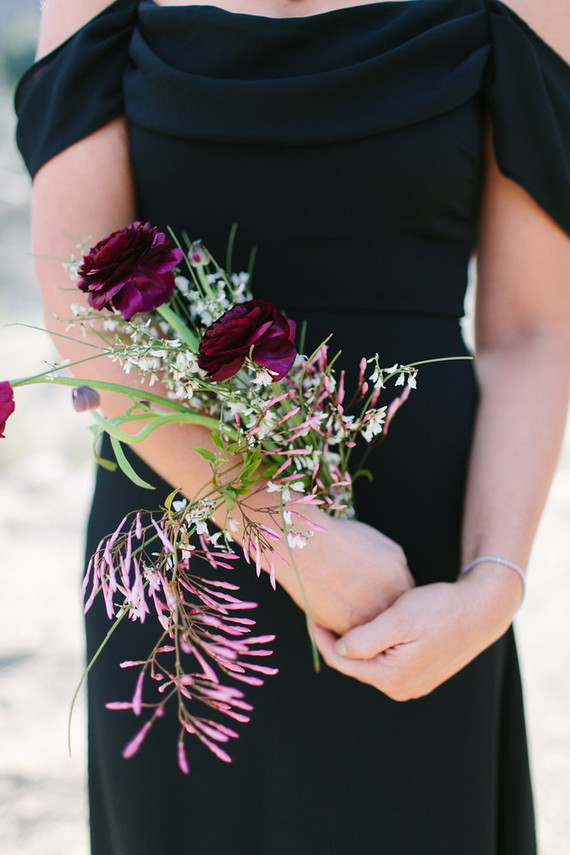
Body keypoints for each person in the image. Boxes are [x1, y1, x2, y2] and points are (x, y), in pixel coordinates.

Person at [15, 1, 570, 853]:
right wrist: (287, 532)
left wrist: (493, 586)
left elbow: (531, 328)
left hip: (421, 581)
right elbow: (84, 307)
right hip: (183, 543)